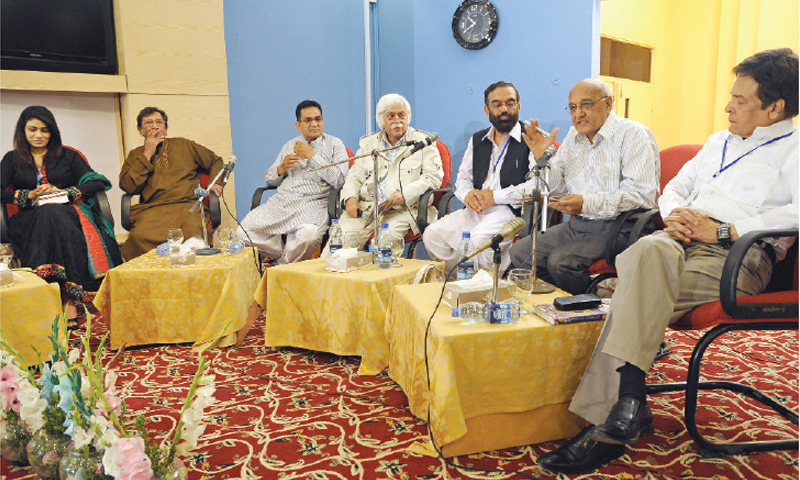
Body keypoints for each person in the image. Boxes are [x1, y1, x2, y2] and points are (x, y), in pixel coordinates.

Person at [536, 48, 799, 475]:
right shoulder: (719, 141)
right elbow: (674, 186)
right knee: (647, 251)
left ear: (776, 107)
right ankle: (628, 401)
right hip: (674, 241)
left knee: (634, 285)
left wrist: (721, 230)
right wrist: (675, 212)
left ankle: (617, 415)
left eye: (741, 100)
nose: (728, 106)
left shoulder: (795, 149)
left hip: (736, 256)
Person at [509, 78, 660, 294]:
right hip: (578, 225)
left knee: (561, 263)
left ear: (608, 103)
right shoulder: (573, 136)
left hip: (622, 227)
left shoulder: (634, 135)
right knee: (521, 253)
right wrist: (543, 160)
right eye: (573, 107)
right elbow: (556, 187)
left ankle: (589, 313)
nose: (578, 113)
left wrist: (586, 203)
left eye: (586, 104)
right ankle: (557, 305)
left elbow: (641, 196)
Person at [0, 106, 123, 325]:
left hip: (66, 214)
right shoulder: (12, 159)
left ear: (53, 132)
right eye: (33, 129)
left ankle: (60, 299)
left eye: (45, 130)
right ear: (23, 131)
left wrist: (65, 192)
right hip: (29, 221)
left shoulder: (69, 156)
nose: (39, 135)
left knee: (55, 214)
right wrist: (26, 194)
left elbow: (95, 181)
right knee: (50, 216)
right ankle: (67, 300)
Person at [423, 81, 536, 276]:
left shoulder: (532, 138)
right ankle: (461, 281)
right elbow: (463, 177)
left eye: (510, 103)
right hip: (476, 209)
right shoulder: (478, 139)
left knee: (476, 242)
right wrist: (467, 194)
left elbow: (538, 186)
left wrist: (497, 197)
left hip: (509, 211)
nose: (504, 109)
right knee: (432, 235)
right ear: (487, 110)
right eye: (497, 104)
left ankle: (481, 292)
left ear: (518, 106)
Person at [237, 100, 349, 264]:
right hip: (283, 202)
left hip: (313, 202)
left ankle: (281, 268)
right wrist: (281, 168)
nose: (314, 124)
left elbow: (339, 180)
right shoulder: (290, 145)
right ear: (298, 125)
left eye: (318, 119)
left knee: (308, 236)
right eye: (308, 120)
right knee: (242, 232)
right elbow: (269, 179)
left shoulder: (335, 145)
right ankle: (286, 257)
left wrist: (312, 156)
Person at [330, 93, 443, 251]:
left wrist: (404, 194)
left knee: (382, 248)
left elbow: (432, 178)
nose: (397, 120)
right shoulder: (369, 143)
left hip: (403, 210)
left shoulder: (423, 143)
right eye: (391, 116)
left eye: (401, 115)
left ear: (408, 117)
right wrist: (350, 197)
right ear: (382, 120)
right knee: (335, 249)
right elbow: (355, 176)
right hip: (366, 209)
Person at [119, 107, 225, 260]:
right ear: (140, 130)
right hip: (152, 209)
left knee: (194, 234)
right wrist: (147, 153)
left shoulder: (185, 145)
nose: (155, 126)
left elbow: (216, 161)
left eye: (159, 122)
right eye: (149, 123)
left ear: (166, 128)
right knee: (138, 236)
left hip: (188, 206)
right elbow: (128, 185)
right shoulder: (135, 154)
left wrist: (215, 183)